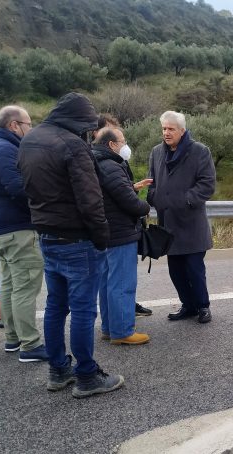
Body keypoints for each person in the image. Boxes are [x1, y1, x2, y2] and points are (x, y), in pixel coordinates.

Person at [19, 92, 123, 398]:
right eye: (89, 127)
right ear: (78, 122)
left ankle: (58, 370)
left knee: (55, 306)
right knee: (82, 311)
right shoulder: (73, 146)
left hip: (47, 235)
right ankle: (87, 376)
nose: (90, 133)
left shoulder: (30, 139)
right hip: (78, 239)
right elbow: (90, 200)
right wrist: (102, 236)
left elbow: (26, 185)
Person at [0, 105, 48, 362]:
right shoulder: (6, 149)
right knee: (25, 286)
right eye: (28, 125)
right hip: (16, 227)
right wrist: (44, 205)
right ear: (14, 125)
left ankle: (13, 338)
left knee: (8, 284)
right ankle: (30, 345)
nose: (30, 130)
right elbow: (17, 187)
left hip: (0, 227)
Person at [147, 111, 216, 324]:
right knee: (175, 271)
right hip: (168, 224)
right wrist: (154, 198)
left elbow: (207, 184)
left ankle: (203, 306)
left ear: (182, 130)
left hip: (191, 223)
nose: (166, 133)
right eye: (164, 129)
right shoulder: (157, 152)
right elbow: (152, 183)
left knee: (194, 269)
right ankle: (188, 305)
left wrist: (185, 200)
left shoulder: (200, 151)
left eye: (171, 129)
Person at [92, 126, 151, 345]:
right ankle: (122, 331)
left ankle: (109, 327)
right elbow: (128, 202)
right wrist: (145, 206)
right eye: (122, 141)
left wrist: (131, 188)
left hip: (105, 232)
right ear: (111, 145)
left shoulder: (95, 162)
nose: (125, 145)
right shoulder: (111, 165)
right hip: (120, 232)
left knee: (107, 283)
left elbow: (113, 193)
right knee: (122, 283)